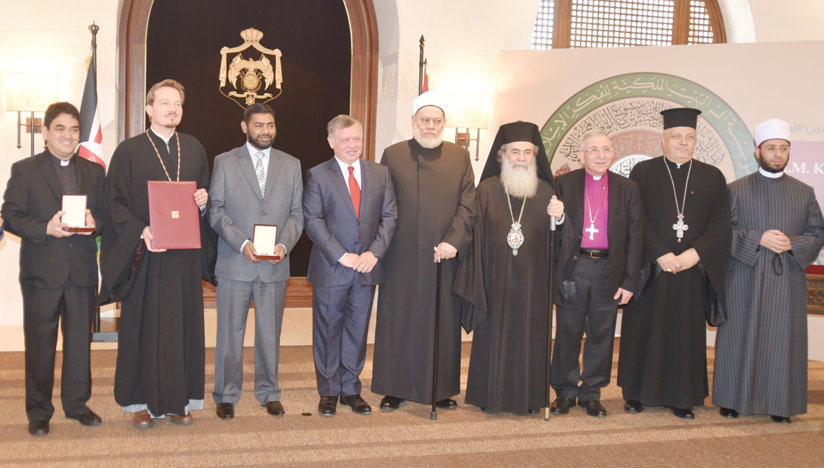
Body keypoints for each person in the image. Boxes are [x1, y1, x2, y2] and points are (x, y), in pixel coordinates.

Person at [99, 79, 213, 428]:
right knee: (145, 327)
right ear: (149, 109)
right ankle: (140, 403)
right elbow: (113, 203)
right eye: (164, 103)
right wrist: (141, 230)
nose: (171, 109)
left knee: (182, 326)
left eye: (177, 103)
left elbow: (204, 196)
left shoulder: (194, 148)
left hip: (183, 259)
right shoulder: (128, 151)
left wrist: (204, 202)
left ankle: (180, 401)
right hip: (145, 255)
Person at [618, 107, 732, 419]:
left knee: (684, 333)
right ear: (663, 140)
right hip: (652, 269)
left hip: (691, 269)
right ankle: (636, 393)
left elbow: (721, 225)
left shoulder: (712, 176)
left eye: (689, 137)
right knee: (645, 329)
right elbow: (635, 218)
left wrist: (695, 253)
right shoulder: (643, 172)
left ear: (696, 141)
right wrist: (660, 253)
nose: (683, 142)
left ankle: (682, 397)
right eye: (676, 136)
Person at [2, 102, 105, 436]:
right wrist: (45, 228)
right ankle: (39, 410)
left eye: (74, 129)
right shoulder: (25, 170)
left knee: (79, 342)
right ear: (45, 132)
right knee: (40, 342)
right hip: (41, 272)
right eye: (60, 128)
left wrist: (95, 223)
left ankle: (76, 404)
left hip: (81, 272)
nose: (68, 135)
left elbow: (106, 216)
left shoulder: (93, 171)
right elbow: (12, 214)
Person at [713, 118, 824, 424]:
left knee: (782, 340)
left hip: (785, 277)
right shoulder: (735, 190)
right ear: (757, 151)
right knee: (739, 335)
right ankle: (731, 400)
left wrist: (792, 243)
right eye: (771, 148)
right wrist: (756, 238)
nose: (777, 154)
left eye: (783, 149)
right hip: (744, 276)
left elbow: (817, 233)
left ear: (789, 152)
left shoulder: (804, 192)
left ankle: (781, 403)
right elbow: (721, 233)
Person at [372, 91, 477, 411]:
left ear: (444, 124)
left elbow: (468, 205)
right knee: (399, 320)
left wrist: (452, 242)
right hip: (400, 257)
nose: (430, 126)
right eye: (424, 120)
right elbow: (382, 205)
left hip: (443, 255)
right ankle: (395, 386)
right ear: (413, 122)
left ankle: (440, 388)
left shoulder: (459, 156)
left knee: (441, 322)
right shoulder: (393, 154)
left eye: (436, 121)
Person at [454, 121, 563, 414]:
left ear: (535, 156)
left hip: (532, 285)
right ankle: (488, 396)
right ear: (502, 154)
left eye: (528, 152)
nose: (521, 158)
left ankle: (528, 399)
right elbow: (473, 238)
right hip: (494, 281)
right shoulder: (487, 191)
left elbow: (562, 242)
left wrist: (561, 218)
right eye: (515, 151)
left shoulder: (547, 192)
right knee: (493, 337)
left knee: (530, 340)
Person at [209, 103, 303, 419]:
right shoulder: (224, 162)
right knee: (229, 335)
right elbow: (216, 211)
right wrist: (243, 243)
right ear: (245, 127)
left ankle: (268, 392)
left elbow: (297, 214)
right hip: (236, 262)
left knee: (269, 334)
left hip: (274, 265)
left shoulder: (291, 165)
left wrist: (284, 245)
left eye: (270, 125)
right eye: (259, 125)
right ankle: (226, 394)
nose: (265, 130)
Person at [303, 114, 397, 416]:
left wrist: (374, 253)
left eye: (357, 138)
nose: (352, 145)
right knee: (328, 331)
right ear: (331, 142)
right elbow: (312, 220)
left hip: (367, 268)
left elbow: (390, 217)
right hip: (333, 267)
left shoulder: (380, 173)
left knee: (357, 331)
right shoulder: (318, 175)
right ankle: (328, 391)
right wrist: (343, 255)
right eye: (345, 140)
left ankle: (350, 389)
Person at [549, 130, 643, 418]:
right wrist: (559, 217)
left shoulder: (628, 188)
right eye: (593, 150)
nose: (600, 155)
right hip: (574, 267)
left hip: (608, 269)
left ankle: (591, 392)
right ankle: (565, 391)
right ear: (581, 156)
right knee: (568, 331)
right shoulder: (563, 184)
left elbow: (635, 238)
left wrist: (629, 281)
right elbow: (554, 229)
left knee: (602, 333)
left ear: (613, 154)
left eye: (605, 149)